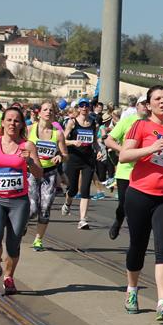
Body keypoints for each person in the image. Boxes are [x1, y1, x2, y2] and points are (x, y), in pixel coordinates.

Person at [119, 86, 163, 321]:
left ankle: (162, 301)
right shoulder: (140, 125)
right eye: (157, 99)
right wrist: (151, 148)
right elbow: (124, 156)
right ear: (148, 105)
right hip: (140, 193)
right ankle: (132, 290)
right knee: (137, 246)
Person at [0, 107, 43, 295]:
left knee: (13, 244)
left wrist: (30, 162)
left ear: (21, 124)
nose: (12, 123)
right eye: (9, 120)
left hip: (18, 202)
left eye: (16, 120)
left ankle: (8, 277)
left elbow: (39, 174)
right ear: (3, 122)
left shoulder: (28, 146)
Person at [27, 101, 68, 251]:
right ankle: (24, 223)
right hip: (32, 172)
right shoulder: (30, 129)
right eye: (45, 109)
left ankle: (38, 240)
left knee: (45, 208)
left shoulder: (58, 134)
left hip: (49, 174)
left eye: (51, 110)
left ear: (54, 114)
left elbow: (65, 155)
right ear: (39, 113)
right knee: (32, 209)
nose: (48, 112)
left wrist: (60, 157)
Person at [105, 97, 148, 240]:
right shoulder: (127, 121)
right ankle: (118, 221)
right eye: (143, 104)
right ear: (137, 106)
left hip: (145, 172)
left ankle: (136, 235)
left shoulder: (154, 124)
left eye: (147, 103)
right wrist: (123, 150)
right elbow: (109, 140)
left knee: (139, 206)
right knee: (124, 204)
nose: (145, 106)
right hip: (126, 171)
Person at [61, 97, 97, 229]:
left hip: (88, 159)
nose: (84, 108)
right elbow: (62, 140)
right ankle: (67, 203)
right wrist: (73, 142)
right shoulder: (72, 122)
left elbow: (95, 142)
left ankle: (82, 220)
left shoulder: (93, 123)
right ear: (78, 108)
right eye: (82, 106)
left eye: (86, 105)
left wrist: (99, 151)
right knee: (73, 189)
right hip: (74, 158)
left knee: (85, 189)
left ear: (89, 107)